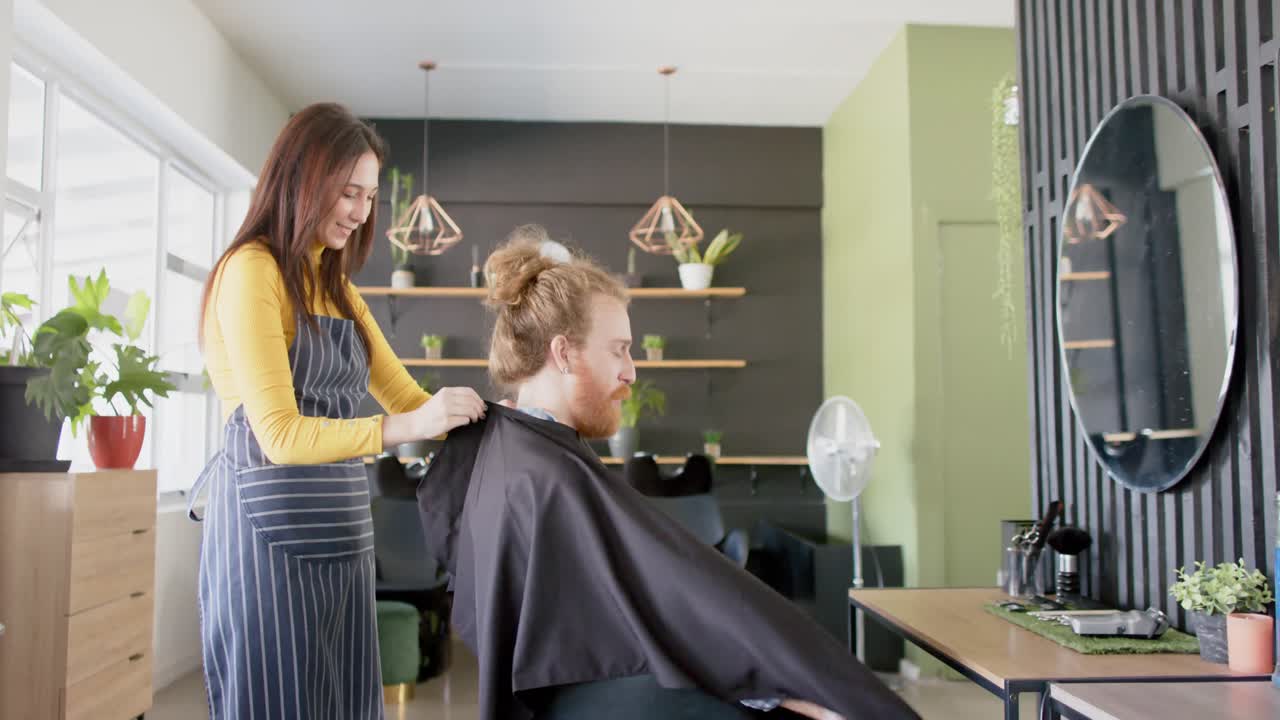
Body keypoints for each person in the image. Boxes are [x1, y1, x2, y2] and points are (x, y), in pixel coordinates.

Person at [417, 227, 919, 720]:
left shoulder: (506, 451)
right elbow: (673, 601)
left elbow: (630, 606)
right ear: (565, 353)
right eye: (619, 349)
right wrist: (780, 687)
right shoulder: (547, 475)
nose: (631, 371)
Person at [191, 102, 485, 719]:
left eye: (370, 197)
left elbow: (408, 398)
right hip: (266, 542)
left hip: (342, 539)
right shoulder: (252, 272)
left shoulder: (338, 288)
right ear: (301, 180)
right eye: (348, 192)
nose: (360, 212)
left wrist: (500, 417)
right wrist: (409, 428)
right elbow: (278, 435)